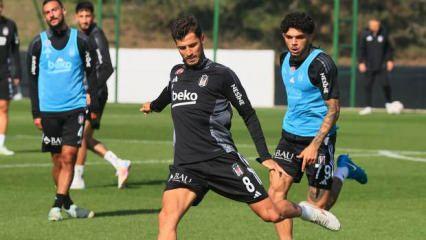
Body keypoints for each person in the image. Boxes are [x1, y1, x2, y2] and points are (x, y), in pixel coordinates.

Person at [140, 15, 341, 240]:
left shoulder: (222, 75)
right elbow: (170, 91)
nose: (188, 52)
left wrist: (264, 155)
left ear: (203, 39)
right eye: (182, 48)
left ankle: (307, 212)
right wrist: (154, 106)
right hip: (186, 164)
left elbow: (248, 114)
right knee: (166, 218)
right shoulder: (176, 73)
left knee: (272, 213)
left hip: (222, 160)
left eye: (193, 45)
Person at [271, 12, 368, 239]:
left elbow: (334, 109)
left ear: (310, 37)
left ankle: (344, 169)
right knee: (276, 198)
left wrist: (315, 145)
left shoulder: (322, 65)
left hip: (318, 138)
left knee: (319, 207)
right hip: (289, 136)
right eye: (289, 37)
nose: (294, 42)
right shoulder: (283, 58)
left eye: (300, 37)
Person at [28, 0, 98, 221]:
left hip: (74, 108)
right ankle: (68, 203)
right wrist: (36, 112)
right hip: (49, 111)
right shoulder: (37, 44)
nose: (51, 14)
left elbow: (93, 73)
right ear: (45, 16)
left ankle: (57, 205)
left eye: (55, 10)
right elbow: (32, 80)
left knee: (69, 157)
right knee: (57, 160)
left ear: (63, 11)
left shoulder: (81, 40)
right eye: (47, 12)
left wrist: (93, 102)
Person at [71, 1, 131, 190]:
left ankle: (78, 178)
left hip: (94, 94)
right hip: (84, 93)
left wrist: (91, 90)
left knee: (80, 136)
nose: (84, 19)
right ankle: (119, 163)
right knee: (85, 138)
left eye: (88, 16)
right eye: (81, 16)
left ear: (93, 17)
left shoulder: (96, 36)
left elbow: (106, 67)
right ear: (76, 17)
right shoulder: (79, 35)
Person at [358, 18, 395, 115]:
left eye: (377, 26)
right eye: (373, 26)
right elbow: (361, 49)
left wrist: (390, 60)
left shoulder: (384, 33)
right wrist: (361, 62)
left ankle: (389, 104)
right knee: (367, 85)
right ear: (370, 26)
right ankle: (368, 107)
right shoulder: (365, 34)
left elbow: (389, 49)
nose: (375, 28)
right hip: (369, 65)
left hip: (381, 64)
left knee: (385, 84)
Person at [0, 0, 21, 155]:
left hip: (4, 72)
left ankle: (0, 144)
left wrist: (17, 72)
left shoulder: (10, 25)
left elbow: (15, 51)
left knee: (3, 107)